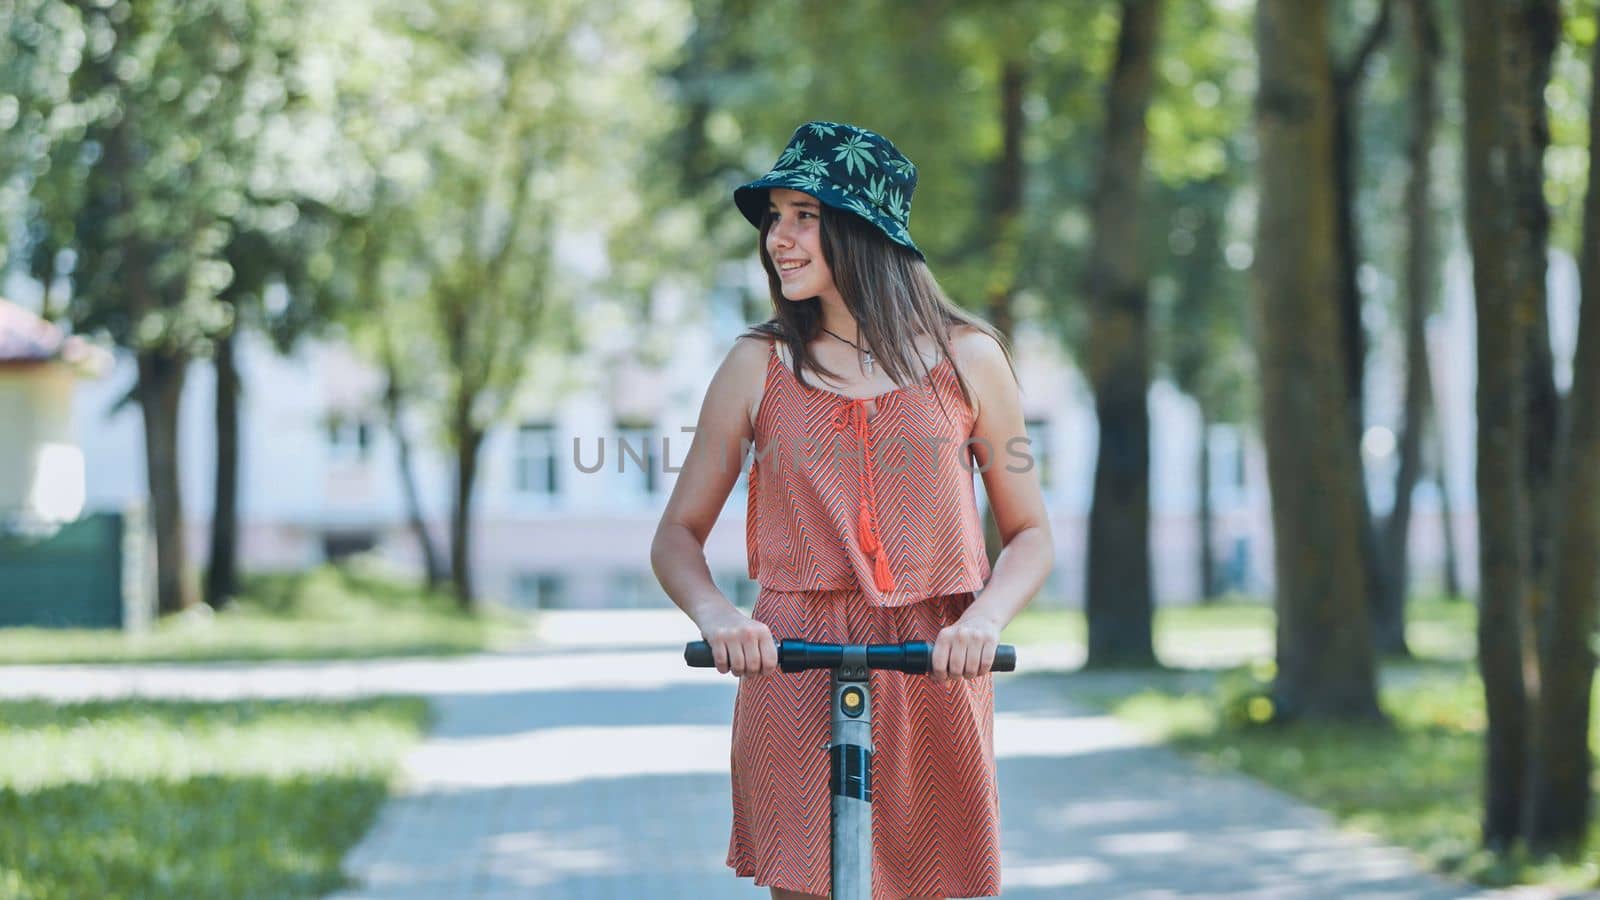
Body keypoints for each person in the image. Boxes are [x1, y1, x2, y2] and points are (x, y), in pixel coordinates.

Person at [650, 120, 1055, 900]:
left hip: (934, 664)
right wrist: (718, 616)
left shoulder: (969, 360)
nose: (779, 237)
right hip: (794, 664)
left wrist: (985, 620)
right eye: (775, 217)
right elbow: (677, 535)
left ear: (862, 225)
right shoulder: (756, 365)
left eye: (804, 214)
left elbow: (1030, 532)